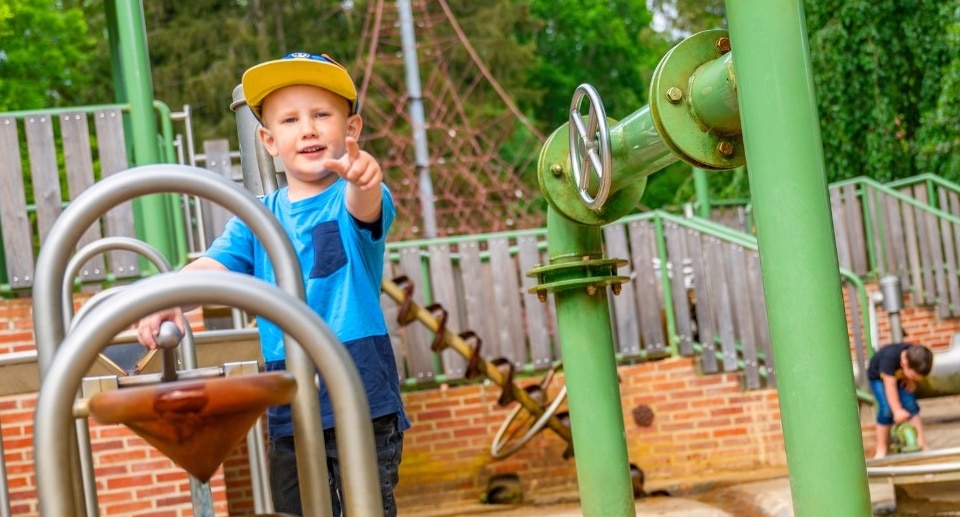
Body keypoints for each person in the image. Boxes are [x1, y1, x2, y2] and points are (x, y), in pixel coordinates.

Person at [136, 51, 408, 516]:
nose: (307, 129)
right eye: (290, 120)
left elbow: (367, 206)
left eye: (322, 115)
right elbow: (213, 265)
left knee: (367, 507)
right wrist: (169, 298)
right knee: (297, 508)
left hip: (361, 391)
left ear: (351, 130)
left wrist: (364, 179)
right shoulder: (257, 218)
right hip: (290, 396)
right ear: (268, 139)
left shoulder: (351, 198)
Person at [866, 342, 933, 459]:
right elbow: (890, 386)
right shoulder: (889, 358)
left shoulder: (916, 355)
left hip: (900, 376)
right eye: (914, 376)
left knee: (911, 404)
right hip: (879, 379)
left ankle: (921, 443)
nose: (916, 379)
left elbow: (911, 373)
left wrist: (911, 380)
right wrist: (897, 410)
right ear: (904, 363)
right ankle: (881, 449)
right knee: (886, 410)